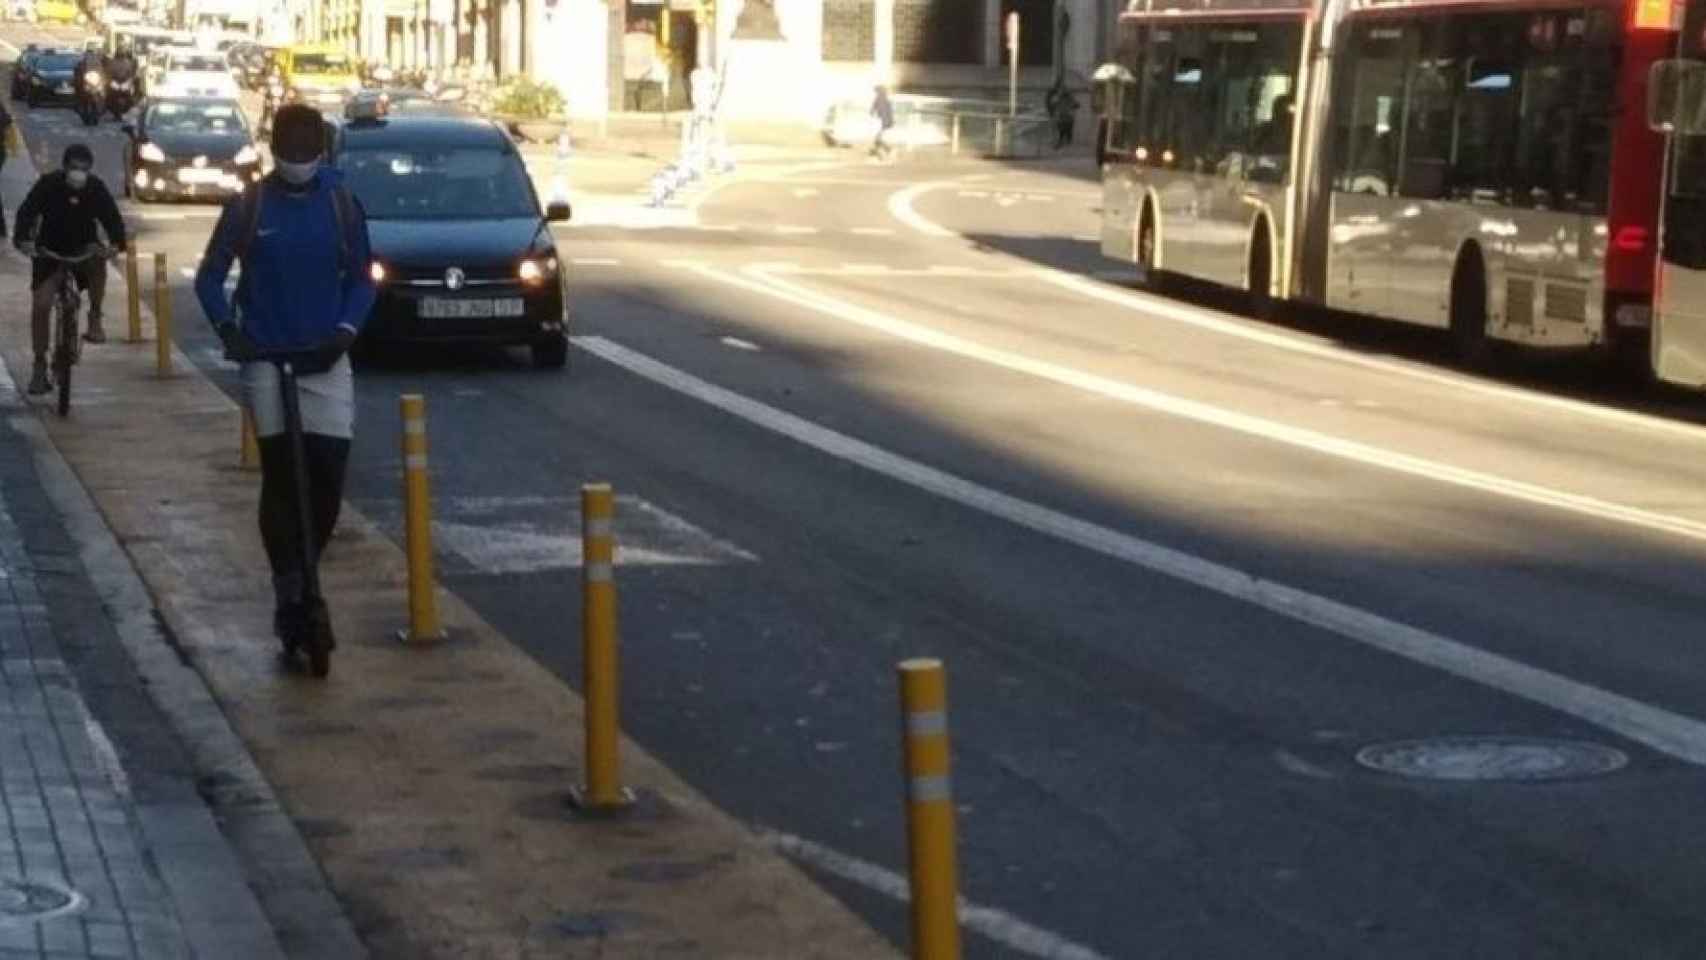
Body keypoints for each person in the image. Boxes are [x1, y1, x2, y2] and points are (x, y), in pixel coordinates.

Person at [194, 104, 376, 660]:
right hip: (267, 356)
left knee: (327, 476)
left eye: (308, 151)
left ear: (322, 151)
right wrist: (231, 331)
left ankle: (304, 570)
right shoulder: (248, 206)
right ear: (275, 150)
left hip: (326, 354)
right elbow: (208, 279)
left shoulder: (342, 204)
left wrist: (345, 332)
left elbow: (364, 277)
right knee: (281, 476)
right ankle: (289, 589)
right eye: (290, 152)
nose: (300, 162)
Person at [13, 144, 126, 394]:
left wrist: (117, 244)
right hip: (50, 254)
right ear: (65, 168)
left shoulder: (96, 188)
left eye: (84, 169)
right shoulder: (48, 185)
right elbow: (26, 212)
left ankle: (95, 317)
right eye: (75, 168)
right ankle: (40, 365)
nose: (79, 174)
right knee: (41, 305)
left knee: (98, 262)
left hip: (83, 251)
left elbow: (112, 218)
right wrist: (23, 240)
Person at [870, 84, 895, 161]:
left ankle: (884, 150)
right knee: (878, 137)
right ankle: (883, 150)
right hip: (881, 121)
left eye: (877, 91)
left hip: (883, 121)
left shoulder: (882, 99)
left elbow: (872, 110)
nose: (876, 92)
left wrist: (889, 121)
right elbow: (873, 110)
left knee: (878, 137)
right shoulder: (884, 99)